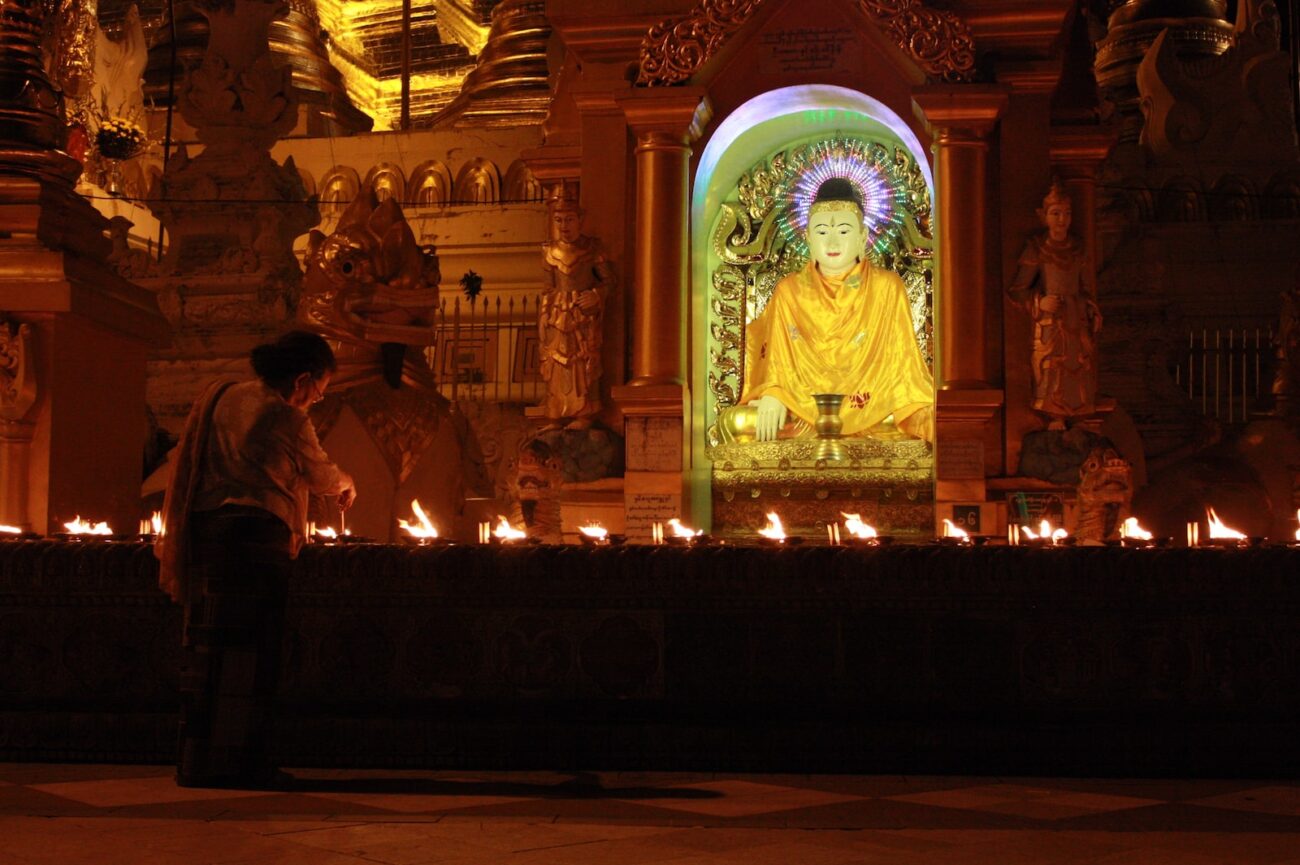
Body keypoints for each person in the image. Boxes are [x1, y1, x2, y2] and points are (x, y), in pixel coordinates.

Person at [156, 330, 355, 789]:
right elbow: (320, 473)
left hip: (208, 532)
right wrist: (346, 481)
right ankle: (243, 761)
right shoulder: (285, 416)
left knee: (207, 650)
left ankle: (196, 760)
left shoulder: (222, 396)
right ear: (303, 380)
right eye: (318, 393)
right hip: (256, 540)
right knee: (253, 652)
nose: (314, 403)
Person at [716, 177, 934, 444]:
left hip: (874, 408)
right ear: (807, 236)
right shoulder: (789, 291)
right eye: (821, 232)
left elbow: (905, 372)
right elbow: (776, 363)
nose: (832, 243)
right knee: (737, 423)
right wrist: (774, 393)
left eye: (843, 231)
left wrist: (901, 405)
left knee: (918, 419)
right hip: (801, 409)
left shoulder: (888, 287)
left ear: (862, 237)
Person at [1007, 180, 1102, 426]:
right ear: (1045, 217)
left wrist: (1091, 309)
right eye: (1056, 213)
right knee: (1051, 368)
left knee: (1080, 365)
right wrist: (1040, 302)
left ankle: (1077, 414)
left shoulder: (1078, 249)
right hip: (1051, 320)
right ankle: (1053, 416)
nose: (1062, 220)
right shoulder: (1037, 248)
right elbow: (1017, 291)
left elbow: (1086, 288)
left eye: (1067, 214)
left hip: (1076, 318)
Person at [538, 187, 614, 429]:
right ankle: (556, 413)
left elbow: (609, 281)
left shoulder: (592, 249)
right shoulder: (549, 252)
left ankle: (584, 412)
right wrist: (546, 315)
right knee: (557, 365)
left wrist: (596, 296)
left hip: (583, 317)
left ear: (580, 220)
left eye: (569, 220)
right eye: (558, 220)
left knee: (582, 364)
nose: (564, 226)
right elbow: (548, 288)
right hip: (557, 316)